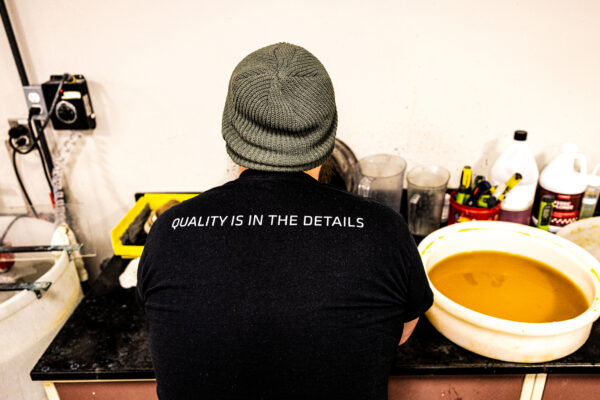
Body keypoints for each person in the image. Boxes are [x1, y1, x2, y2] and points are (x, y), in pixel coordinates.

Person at [137, 42, 433, 400]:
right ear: (328, 135)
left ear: (230, 132)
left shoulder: (168, 232)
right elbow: (398, 333)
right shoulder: (384, 232)